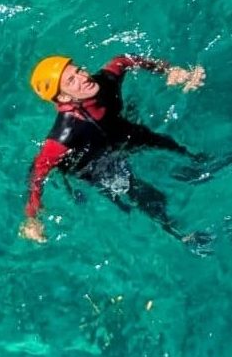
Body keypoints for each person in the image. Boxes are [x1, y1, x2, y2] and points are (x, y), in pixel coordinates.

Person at [18, 52, 212, 249]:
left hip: (120, 133)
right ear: (63, 97)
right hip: (95, 163)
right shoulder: (64, 135)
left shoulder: (106, 81)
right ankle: (181, 235)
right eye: (71, 80)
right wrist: (32, 219)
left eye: (78, 70)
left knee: (168, 144)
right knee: (146, 197)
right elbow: (37, 172)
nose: (83, 77)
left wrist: (169, 70)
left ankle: (204, 166)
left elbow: (124, 59)